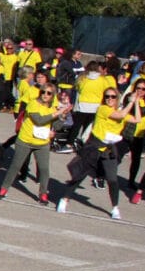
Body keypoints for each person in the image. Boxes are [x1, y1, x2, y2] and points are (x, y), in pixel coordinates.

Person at [54, 84, 139, 219]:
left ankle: (115, 207)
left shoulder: (121, 112)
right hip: (94, 147)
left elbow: (137, 119)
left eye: (112, 97)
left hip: (109, 149)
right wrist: (131, 102)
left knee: (112, 179)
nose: (109, 99)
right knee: (80, 175)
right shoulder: (103, 109)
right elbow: (120, 115)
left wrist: (137, 103)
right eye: (107, 96)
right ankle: (64, 199)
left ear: (117, 98)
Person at [0, 83, 70, 204]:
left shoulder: (53, 107)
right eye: (43, 92)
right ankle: (4, 188)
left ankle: (43, 194)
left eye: (48, 93)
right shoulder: (33, 104)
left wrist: (63, 115)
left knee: (44, 169)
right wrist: (57, 113)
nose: (45, 95)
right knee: (16, 166)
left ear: (53, 95)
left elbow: (56, 125)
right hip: (25, 140)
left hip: (42, 142)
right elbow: (39, 120)